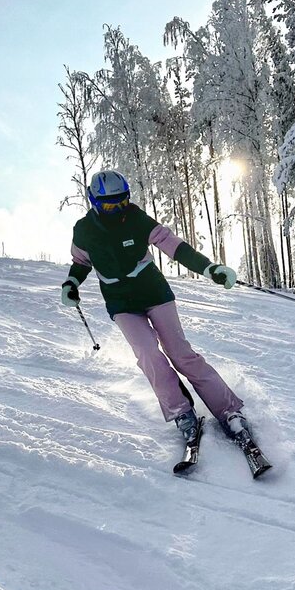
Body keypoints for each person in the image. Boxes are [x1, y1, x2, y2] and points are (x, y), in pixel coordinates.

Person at [61, 169, 248, 447]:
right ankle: (181, 413)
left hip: (153, 292)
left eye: (122, 201)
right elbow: (81, 262)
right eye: (109, 204)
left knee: (180, 353)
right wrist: (72, 283)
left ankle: (228, 410)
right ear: (94, 201)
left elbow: (173, 246)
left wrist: (209, 268)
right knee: (149, 355)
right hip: (121, 302)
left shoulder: (136, 218)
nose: (117, 209)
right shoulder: (84, 230)